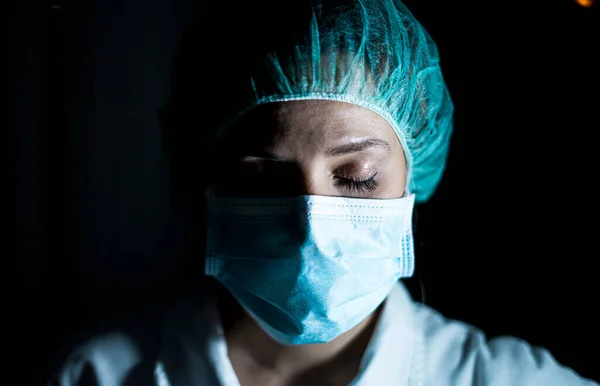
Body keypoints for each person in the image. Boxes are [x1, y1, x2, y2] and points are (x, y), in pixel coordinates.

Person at [49, 0, 597, 385]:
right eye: (261, 178)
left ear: (415, 172)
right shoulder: (95, 375)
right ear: (206, 180)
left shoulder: (513, 380)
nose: (310, 226)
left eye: (357, 176)